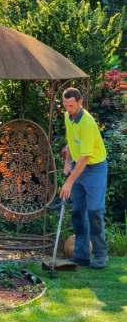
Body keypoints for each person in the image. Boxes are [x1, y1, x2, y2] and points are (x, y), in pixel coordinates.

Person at [60, 88, 108, 268]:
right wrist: (67, 163)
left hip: (95, 169)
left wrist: (69, 182)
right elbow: (72, 142)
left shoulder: (87, 123)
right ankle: (81, 254)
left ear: (80, 102)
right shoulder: (68, 117)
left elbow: (86, 156)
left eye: (71, 105)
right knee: (78, 212)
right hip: (78, 168)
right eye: (65, 105)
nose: (68, 108)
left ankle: (101, 255)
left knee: (94, 212)